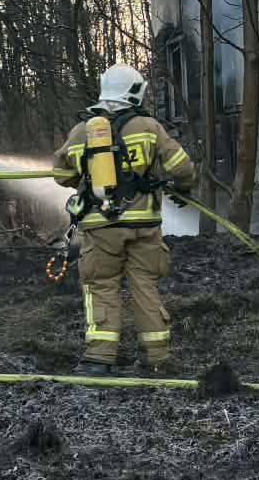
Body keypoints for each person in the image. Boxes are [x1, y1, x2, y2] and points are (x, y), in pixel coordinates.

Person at [52, 64, 198, 369]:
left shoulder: (83, 131)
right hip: (144, 225)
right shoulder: (149, 126)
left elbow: (61, 174)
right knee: (145, 284)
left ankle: (99, 358)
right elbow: (182, 168)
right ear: (136, 91)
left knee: (102, 285)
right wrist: (183, 189)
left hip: (100, 227)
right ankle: (158, 357)